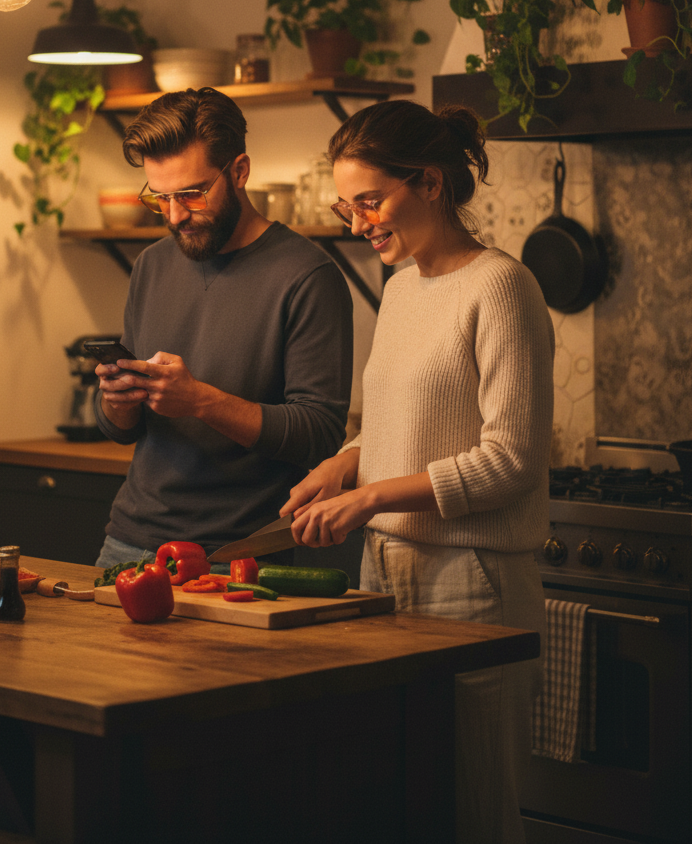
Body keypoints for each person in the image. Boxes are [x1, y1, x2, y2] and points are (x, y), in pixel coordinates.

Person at [280, 100, 553, 844]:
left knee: (470, 813)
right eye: (349, 205)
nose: (358, 221)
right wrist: (341, 466)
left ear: (429, 182)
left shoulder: (502, 286)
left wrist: (370, 497)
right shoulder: (400, 289)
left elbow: (513, 459)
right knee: (395, 804)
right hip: (386, 571)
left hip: (473, 581)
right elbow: (390, 427)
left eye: (371, 201)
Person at [93, 86, 353, 569]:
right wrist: (117, 398)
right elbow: (119, 430)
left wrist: (200, 401)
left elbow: (319, 433)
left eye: (191, 193)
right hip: (128, 543)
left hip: (237, 555)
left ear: (239, 171)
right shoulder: (151, 265)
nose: (174, 215)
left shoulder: (307, 276)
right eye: (160, 198)